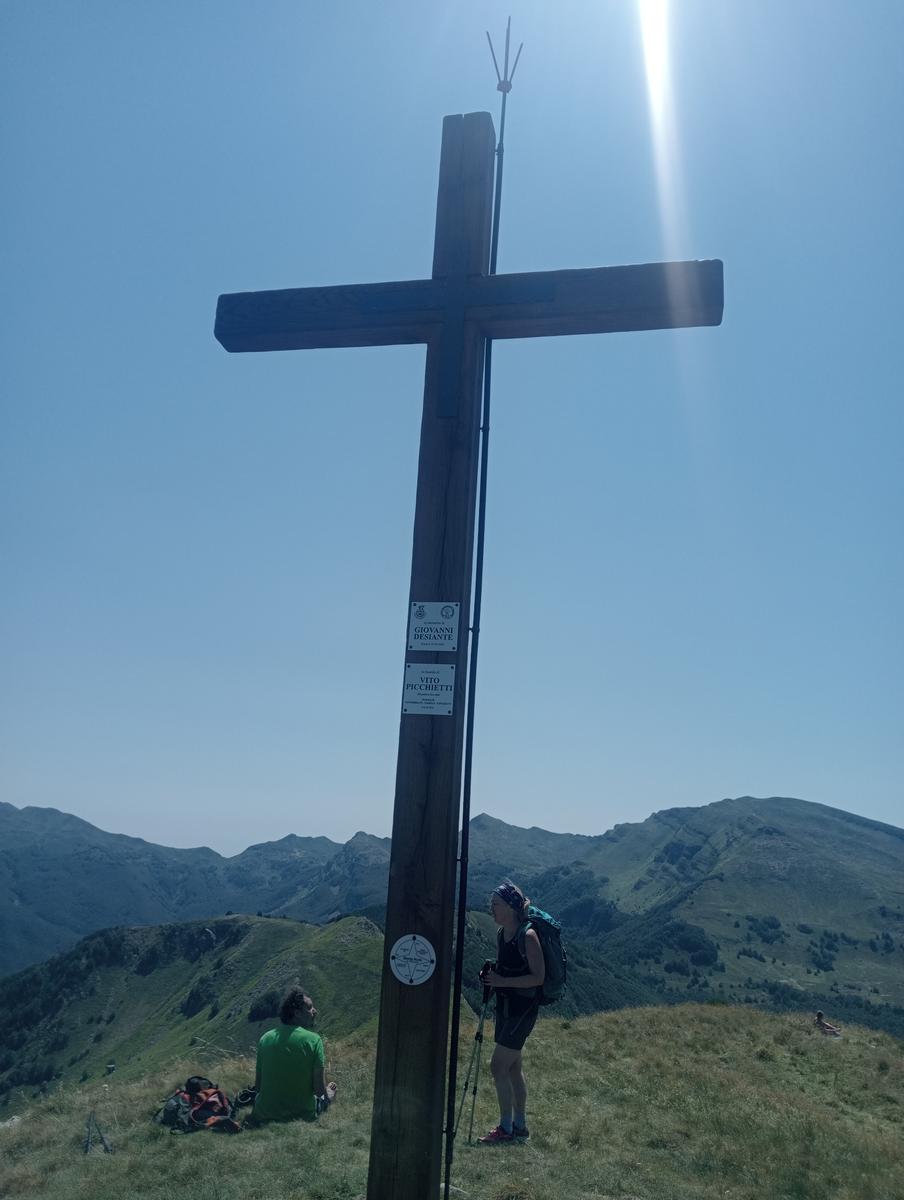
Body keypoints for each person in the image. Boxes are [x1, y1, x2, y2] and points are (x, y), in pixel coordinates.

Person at [477, 880, 545, 1145]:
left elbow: (538, 977)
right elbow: (508, 968)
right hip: (507, 1009)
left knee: (497, 1066)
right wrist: (493, 975)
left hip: (522, 1011)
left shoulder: (527, 936)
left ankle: (506, 1128)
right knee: (514, 1068)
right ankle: (519, 1127)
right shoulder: (502, 933)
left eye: (495, 905)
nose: (491, 909)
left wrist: (502, 982)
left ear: (510, 907)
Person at [249, 986, 338, 1124]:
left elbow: (258, 1086)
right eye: (309, 1008)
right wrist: (326, 1098)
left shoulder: (265, 1038)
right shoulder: (314, 1040)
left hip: (263, 1114)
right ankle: (325, 1101)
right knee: (328, 1093)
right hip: (302, 1116)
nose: (315, 1011)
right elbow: (318, 1088)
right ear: (296, 1013)